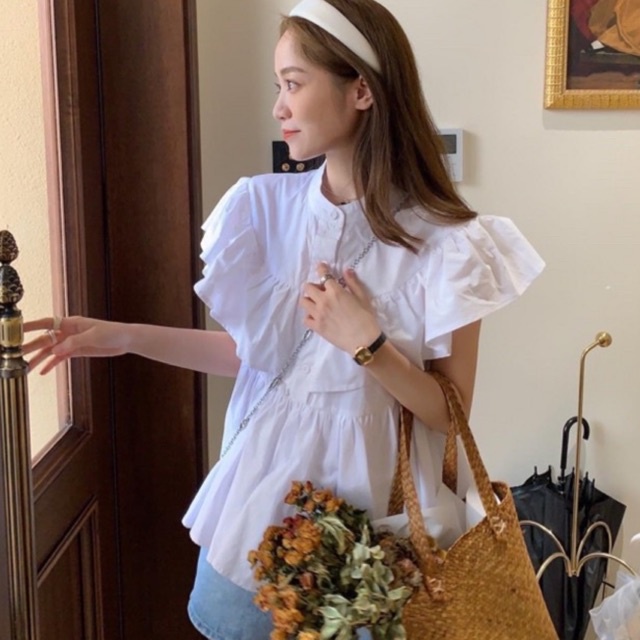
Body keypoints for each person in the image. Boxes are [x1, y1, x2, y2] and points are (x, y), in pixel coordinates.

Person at [24, 0, 545, 638]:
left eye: (294, 84)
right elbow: (258, 359)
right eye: (279, 85)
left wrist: (369, 345)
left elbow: (450, 411)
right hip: (265, 506)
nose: (279, 107)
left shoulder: (448, 241)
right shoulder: (260, 210)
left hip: (375, 528)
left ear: (361, 90)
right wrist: (122, 336)